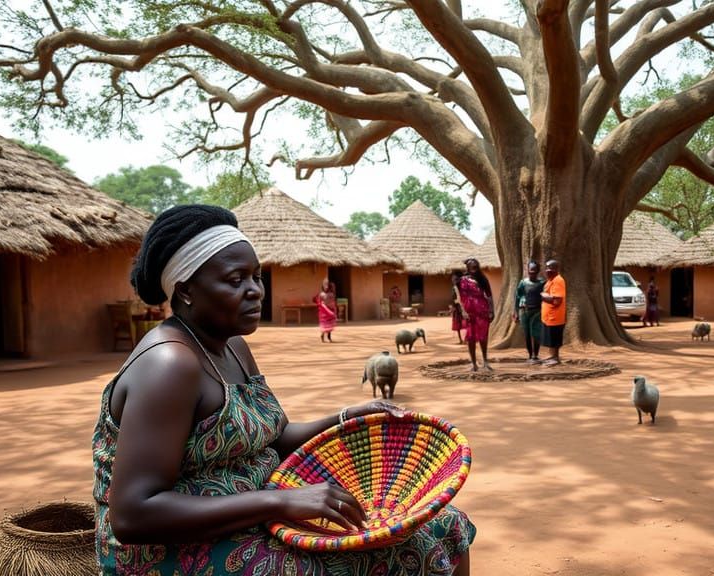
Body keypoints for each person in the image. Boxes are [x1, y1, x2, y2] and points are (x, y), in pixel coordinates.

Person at [92, 205, 474, 575]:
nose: (255, 291)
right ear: (187, 290)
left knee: (445, 524)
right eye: (235, 280)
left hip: (254, 515)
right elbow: (133, 514)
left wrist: (347, 417)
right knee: (400, 551)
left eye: (256, 277)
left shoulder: (232, 347)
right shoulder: (170, 365)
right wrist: (280, 501)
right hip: (176, 550)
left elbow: (275, 437)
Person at [456, 258, 494, 372]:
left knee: (483, 337)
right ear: (467, 268)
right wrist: (463, 311)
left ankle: (485, 361)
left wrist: (492, 311)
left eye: (476, 266)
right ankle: (473, 363)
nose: (474, 268)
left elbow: (489, 296)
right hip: (469, 313)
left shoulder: (483, 279)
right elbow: (459, 297)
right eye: (472, 266)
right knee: (470, 338)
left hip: (482, 311)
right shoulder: (462, 280)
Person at [513, 260, 545, 363]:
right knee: (526, 333)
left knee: (537, 333)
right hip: (525, 311)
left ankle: (536, 355)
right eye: (530, 271)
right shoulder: (523, 283)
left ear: (538, 271)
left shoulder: (542, 283)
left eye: (534, 272)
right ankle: (530, 355)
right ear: (528, 271)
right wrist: (516, 312)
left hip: (537, 311)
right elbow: (517, 297)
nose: (532, 274)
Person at [540, 259, 566, 367]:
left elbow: (557, 301)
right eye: (546, 268)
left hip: (555, 317)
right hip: (548, 317)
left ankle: (555, 358)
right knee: (550, 338)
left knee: (555, 338)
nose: (547, 271)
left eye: (550, 269)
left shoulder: (558, 281)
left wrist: (543, 296)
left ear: (555, 270)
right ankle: (552, 356)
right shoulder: (550, 281)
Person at [316, 278, 337, 342]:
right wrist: (322, 306)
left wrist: (333, 309)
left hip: (330, 310)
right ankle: (322, 335)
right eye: (325, 286)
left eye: (327, 286)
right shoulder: (321, 294)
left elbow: (333, 301)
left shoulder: (331, 294)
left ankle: (329, 337)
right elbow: (319, 302)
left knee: (330, 325)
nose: (326, 288)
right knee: (325, 326)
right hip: (324, 312)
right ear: (323, 287)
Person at [450, 270, 465, 344]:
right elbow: (453, 299)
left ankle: (466, 338)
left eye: (455, 279)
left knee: (466, 323)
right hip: (457, 308)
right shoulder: (454, 288)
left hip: (462, 307)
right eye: (452, 279)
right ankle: (460, 339)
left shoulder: (461, 288)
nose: (453, 280)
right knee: (458, 324)